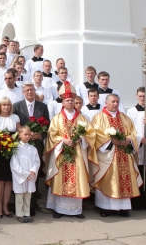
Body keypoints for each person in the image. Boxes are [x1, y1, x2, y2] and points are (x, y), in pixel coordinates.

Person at [44, 83, 96, 219]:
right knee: (60, 177)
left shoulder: (82, 118)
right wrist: (63, 140)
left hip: (78, 153)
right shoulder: (57, 118)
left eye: (72, 100)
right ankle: (58, 209)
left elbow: (91, 134)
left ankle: (76, 210)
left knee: (77, 178)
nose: (70, 102)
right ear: (63, 101)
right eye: (67, 100)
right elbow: (52, 135)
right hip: (61, 153)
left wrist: (81, 139)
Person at [92, 94, 142, 217]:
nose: (115, 104)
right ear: (106, 103)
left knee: (125, 178)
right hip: (107, 156)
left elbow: (133, 132)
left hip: (124, 153)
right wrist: (110, 141)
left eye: (117, 102)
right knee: (108, 179)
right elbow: (96, 134)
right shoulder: (98, 118)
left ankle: (123, 208)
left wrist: (128, 140)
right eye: (113, 101)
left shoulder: (125, 117)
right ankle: (105, 208)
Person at [13, 81, 50, 215]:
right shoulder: (16, 106)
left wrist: (40, 135)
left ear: (35, 91)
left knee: (34, 172)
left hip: (37, 145)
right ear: (23, 92)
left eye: (32, 90)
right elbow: (15, 126)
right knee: (21, 171)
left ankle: (31, 206)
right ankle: (19, 206)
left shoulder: (43, 106)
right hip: (22, 147)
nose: (30, 92)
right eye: (27, 90)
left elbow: (48, 126)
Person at [0, 97, 21, 218]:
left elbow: (19, 134)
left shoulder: (15, 118)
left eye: (8, 105)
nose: (6, 107)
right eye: (4, 105)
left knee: (9, 181)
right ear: (0, 106)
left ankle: (5, 207)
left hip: (12, 151)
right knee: (0, 181)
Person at [11, 126, 41, 223]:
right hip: (20, 176)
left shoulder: (33, 149)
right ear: (20, 135)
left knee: (28, 196)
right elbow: (14, 164)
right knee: (19, 196)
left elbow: (37, 161)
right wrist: (24, 174)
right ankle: (19, 214)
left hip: (30, 176)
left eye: (29, 135)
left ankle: (27, 213)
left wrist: (33, 170)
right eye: (25, 134)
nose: (27, 136)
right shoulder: (16, 148)